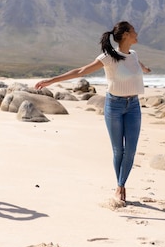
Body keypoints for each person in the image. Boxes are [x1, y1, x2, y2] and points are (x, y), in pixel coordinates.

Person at [35, 21, 151, 203]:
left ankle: (121, 185)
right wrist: (51, 80)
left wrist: (144, 69)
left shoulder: (134, 55)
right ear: (126, 34)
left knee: (131, 150)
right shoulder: (108, 57)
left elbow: (137, 64)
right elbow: (81, 71)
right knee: (118, 150)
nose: (137, 33)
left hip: (133, 106)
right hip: (114, 106)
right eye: (134, 30)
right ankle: (120, 188)